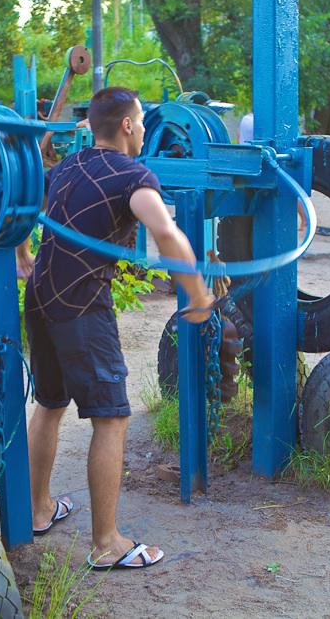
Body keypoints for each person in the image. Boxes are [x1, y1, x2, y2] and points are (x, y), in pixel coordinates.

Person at [16, 87, 213, 571]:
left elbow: (19, 202)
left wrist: (24, 255)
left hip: (40, 296)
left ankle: (37, 510)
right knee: (111, 419)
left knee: (49, 403)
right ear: (127, 125)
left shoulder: (67, 166)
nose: (144, 128)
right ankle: (107, 544)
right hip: (82, 307)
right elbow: (165, 232)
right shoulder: (134, 175)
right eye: (141, 120)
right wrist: (196, 293)